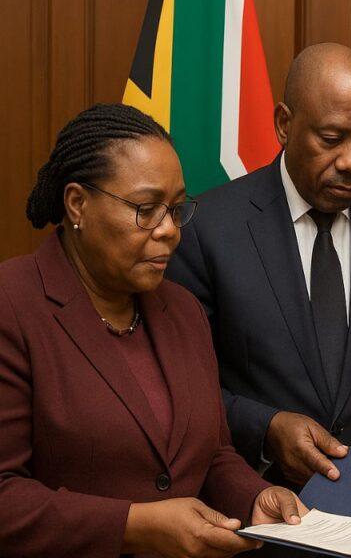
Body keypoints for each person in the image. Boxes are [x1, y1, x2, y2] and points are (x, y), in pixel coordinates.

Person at [0, 104, 306, 557]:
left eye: (176, 209)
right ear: (77, 204)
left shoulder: (183, 310)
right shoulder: (13, 305)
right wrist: (134, 525)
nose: (169, 231)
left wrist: (251, 496)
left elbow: (212, 453)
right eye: (146, 210)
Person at [166, 43, 351, 489]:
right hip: (258, 508)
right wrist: (267, 430)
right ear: (284, 124)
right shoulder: (207, 228)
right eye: (331, 140)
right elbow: (184, 387)